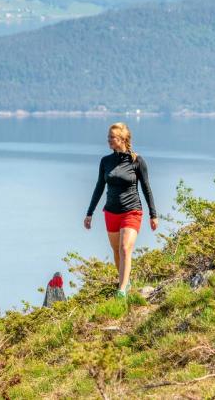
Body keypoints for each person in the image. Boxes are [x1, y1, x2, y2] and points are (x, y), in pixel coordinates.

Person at [83, 122, 158, 298]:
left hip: (132, 211)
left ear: (123, 139)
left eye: (112, 138)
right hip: (111, 212)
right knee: (117, 251)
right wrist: (89, 213)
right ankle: (125, 281)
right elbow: (99, 187)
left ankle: (122, 290)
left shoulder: (137, 161)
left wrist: (153, 214)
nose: (108, 140)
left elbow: (147, 188)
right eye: (108, 137)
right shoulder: (105, 161)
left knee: (125, 249)